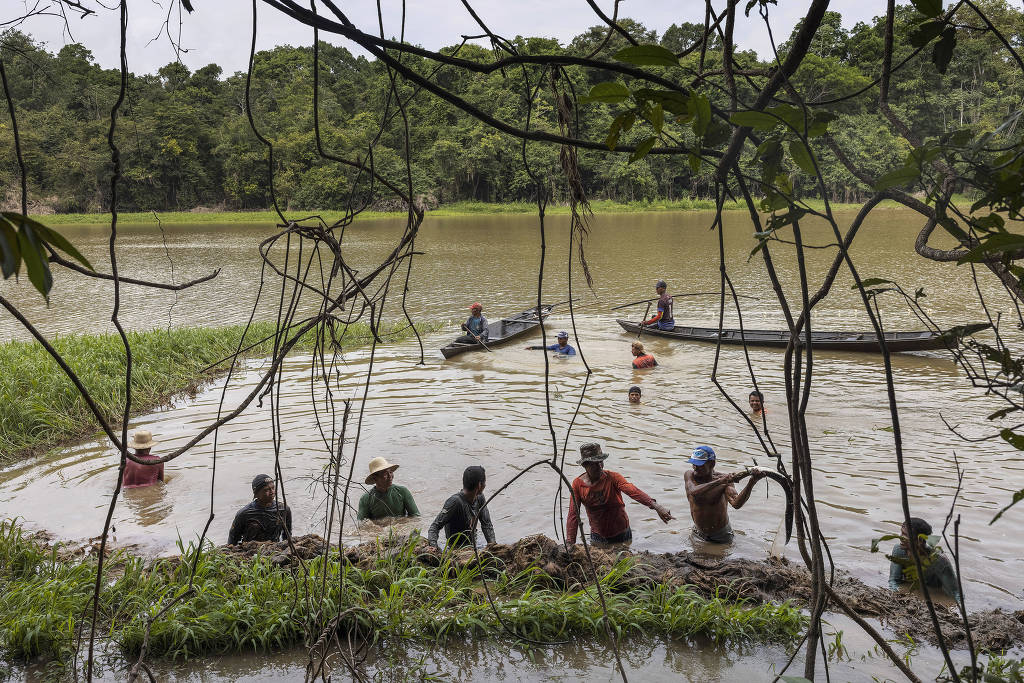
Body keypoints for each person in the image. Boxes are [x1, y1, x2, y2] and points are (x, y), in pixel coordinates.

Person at [565, 443, 673, 546]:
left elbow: (632, 491)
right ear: (585, 465)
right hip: (597, 536)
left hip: (621, 533)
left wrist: (656, 506)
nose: (600, 466)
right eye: (594, 464)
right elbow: (573, 514)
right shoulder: (577, 485)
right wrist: (570, 543)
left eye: (601, 462)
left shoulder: (613, 477)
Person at [683, 445, 764, 543]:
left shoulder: (725, 481)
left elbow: (736, 504)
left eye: (700, 465)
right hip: (698, 532)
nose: (695, 468)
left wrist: (752, 482)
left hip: (720, 536)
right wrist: (720, 481)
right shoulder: (690, 475)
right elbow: (694, 492)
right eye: (693, 464)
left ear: (712, 463)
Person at [888, 517, 961, 601]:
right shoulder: (898, 550)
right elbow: (893, 581)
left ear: (920, 540)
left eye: (905, 535)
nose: (900, 537)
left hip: (933, 591)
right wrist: (896, 598)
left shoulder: (939, 561)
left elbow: (955, 593)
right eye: (901, 533)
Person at [427, 466, 495, 550]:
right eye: (484, 482)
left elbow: (487, 524)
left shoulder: (480, 498)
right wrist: (433, 547)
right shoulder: (455, 502)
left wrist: (493, 547)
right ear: (479, 485)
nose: (485, 485)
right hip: (456, 548)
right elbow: (435, 526)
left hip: (472, 544)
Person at [228, 474, 293, 544]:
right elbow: (232, 540)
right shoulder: (244, 514)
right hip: (250, 550)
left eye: (273, 488)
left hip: (274, 548)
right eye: (266, 490)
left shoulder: (284, 510)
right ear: (256, 494)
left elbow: (287, 536)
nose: (272, 492)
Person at [358, 456, 419, 521]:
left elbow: (416, 517)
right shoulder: (366, 498)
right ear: (375, 478)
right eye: (385, 474)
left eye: (390, 472)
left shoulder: (402, 492)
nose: (390, 476)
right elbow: (361, 523)